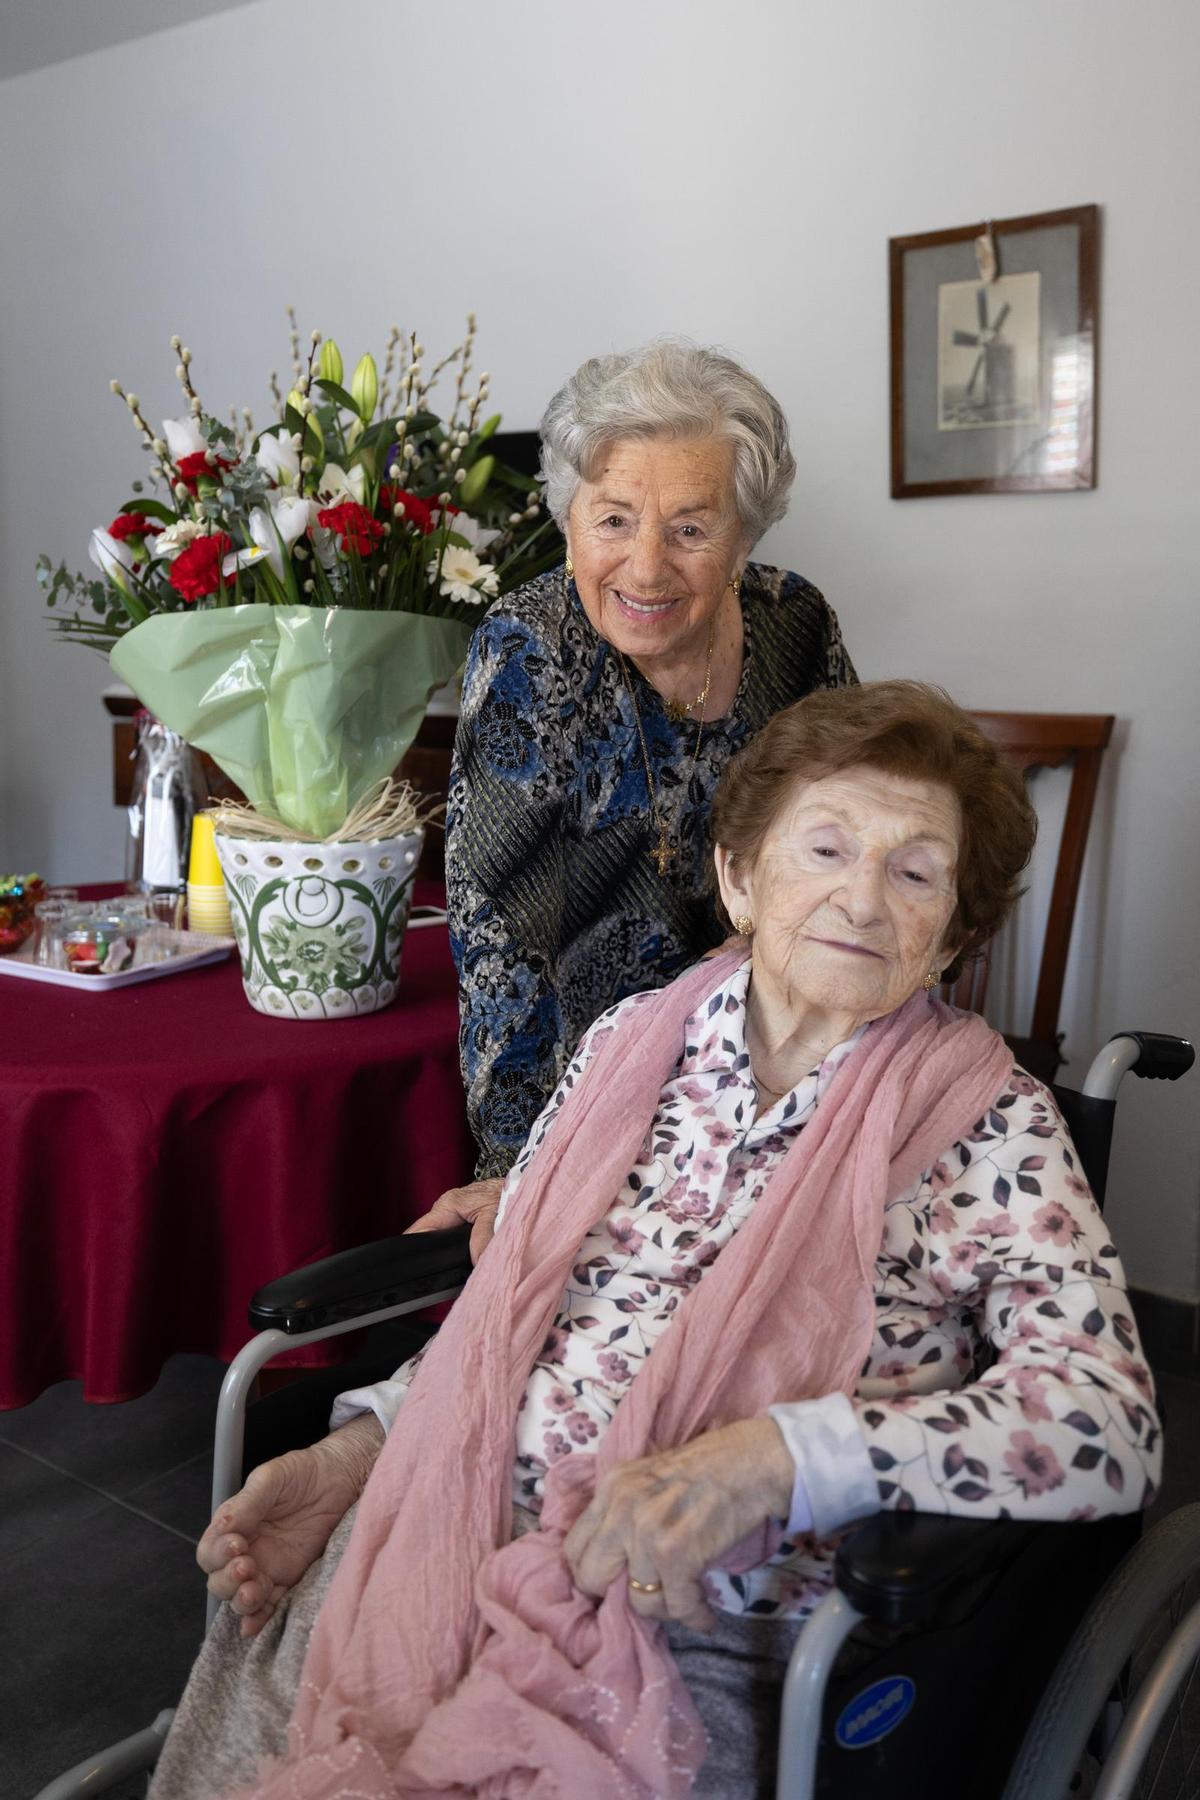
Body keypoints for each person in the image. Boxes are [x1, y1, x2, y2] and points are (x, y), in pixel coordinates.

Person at [150, 683, 1160, 1800]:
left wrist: (774, 1457)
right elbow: (514, 1319)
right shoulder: (634, 1038)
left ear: (954, 935)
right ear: (739, 876)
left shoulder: (987, 1121)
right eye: (823, 848)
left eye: (916, 873)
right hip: (439, 1526)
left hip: (695, 1628)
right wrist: (364, 1453)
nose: (862, 900)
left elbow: (1106, 1424)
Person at [418, 340, 856, 1255]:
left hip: (777, 1057)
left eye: (691, 529)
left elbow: (859, 841)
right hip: (598, 1092)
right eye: (613, 520)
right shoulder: (532, 653)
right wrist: (516, 1156)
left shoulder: (796, 628)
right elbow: (500, 929)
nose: (646, 568)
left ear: (744, 536)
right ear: (568, 521)